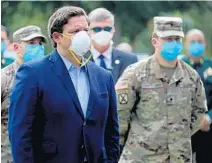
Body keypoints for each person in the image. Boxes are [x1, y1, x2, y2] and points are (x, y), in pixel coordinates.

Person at [8, 6, 119, 163]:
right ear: (57, 37)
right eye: (75, 31)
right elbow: (20, 133)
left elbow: (111, 132)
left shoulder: (103, 77)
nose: (83, 36)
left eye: (85, 30)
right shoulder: (33, 73)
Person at [116, 17, 207, 163]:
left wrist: (177, 135)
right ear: (155, 41)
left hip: (179, 158)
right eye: (168, 39)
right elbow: (120, 116)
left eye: (177, 39)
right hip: (141, 158)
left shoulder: (191, 76)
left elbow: (199, 111)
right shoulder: (135, 74)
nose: (174, 43)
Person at [1, 25, 47, 163]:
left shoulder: (50, 78)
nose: (38, 47)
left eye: (40, 43)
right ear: (16, 48)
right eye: (31, 43)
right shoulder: (4, 78)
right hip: (9, 156)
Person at [182, 29, 212, 163]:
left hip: (207, 127)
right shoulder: (178, 66)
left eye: (199, 41)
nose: (196, 44)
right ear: (185, 44)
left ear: (205, 43)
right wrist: (194, 119)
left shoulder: (210, 65)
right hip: (184, 127)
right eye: (192, 41)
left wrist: (209, 118)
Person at [86, 8, 137, 83]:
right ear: (88, 30)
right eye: (97, 29)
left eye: (107, 29)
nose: (102, 32)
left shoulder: (129, 60)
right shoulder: (79, 59)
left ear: (113, 30)